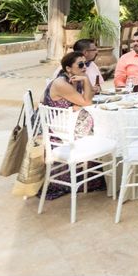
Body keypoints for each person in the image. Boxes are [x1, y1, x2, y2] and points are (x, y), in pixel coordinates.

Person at [42, 51, 104, 199]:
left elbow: (84, 100)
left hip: (68, 121)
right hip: (60, 128)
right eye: (81, 64)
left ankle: (96, 174)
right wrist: (86, 81)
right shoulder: (61, 83)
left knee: (97, 120)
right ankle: (102, 172)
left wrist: (85, 86)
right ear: (68, 68)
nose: (85, 67)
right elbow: (87, 102)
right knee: (101, 126)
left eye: (86, 64)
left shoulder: (73, 79)